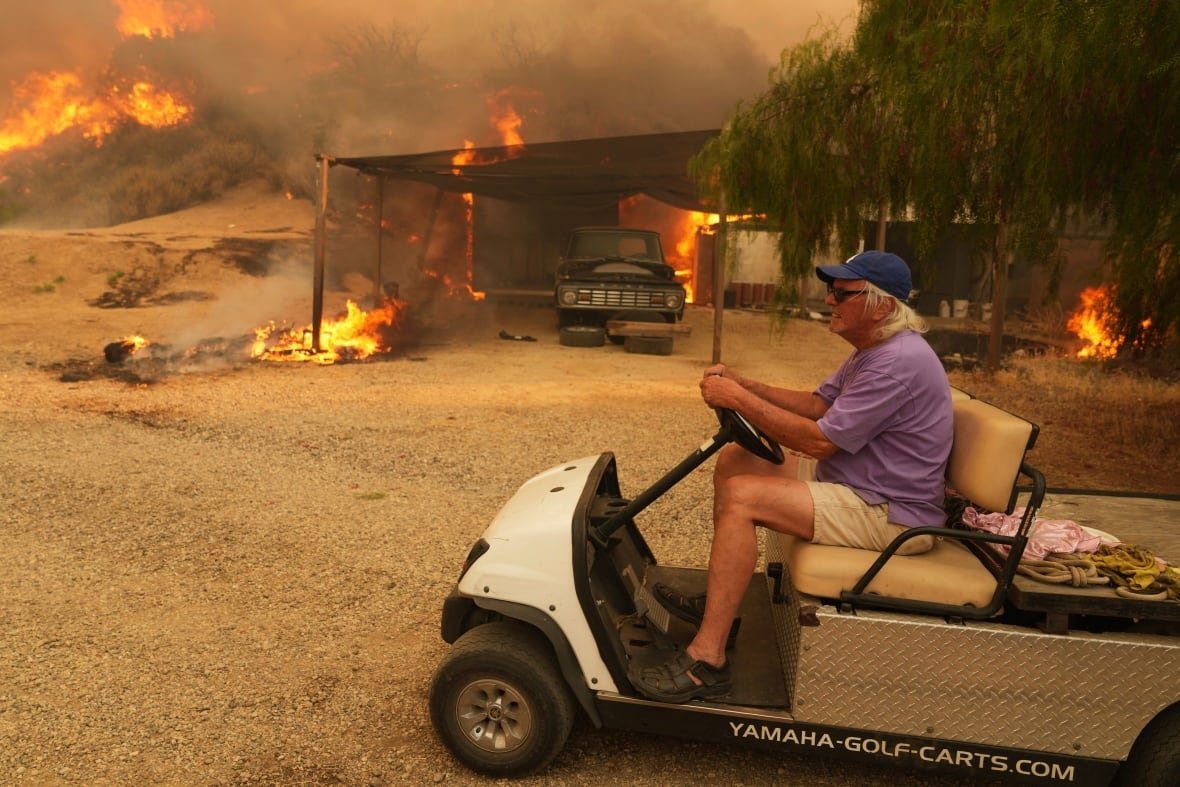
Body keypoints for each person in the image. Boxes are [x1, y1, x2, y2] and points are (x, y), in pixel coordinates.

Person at [630, 250, 954, 703]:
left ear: (881, 305)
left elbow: (820, 440)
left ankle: (708, 659)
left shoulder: (897, 362)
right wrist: (744, 384)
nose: (829, 300)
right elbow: (818, 405)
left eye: (843, 293)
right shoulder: (876, 349)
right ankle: (720, 606)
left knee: (744, 498)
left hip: (892, 513)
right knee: (737, 462)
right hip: (859, 485)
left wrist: (738, 401)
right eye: (831, 291)